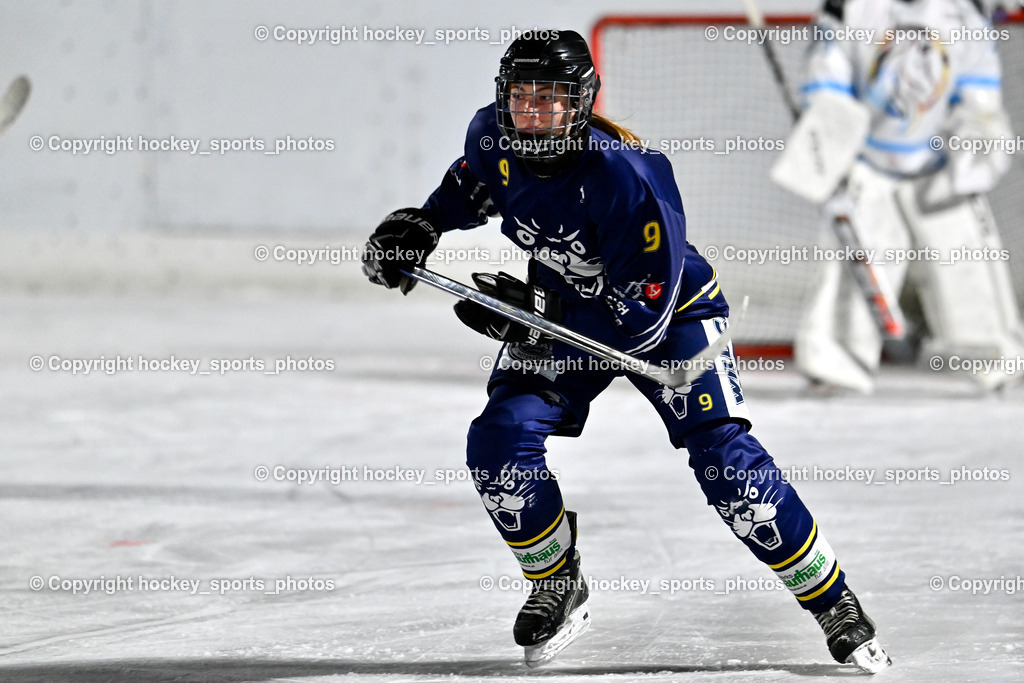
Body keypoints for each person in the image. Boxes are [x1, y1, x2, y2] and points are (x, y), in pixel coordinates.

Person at [361, 30, 891, 673]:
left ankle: (832, 601)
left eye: (550, 99)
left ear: (581, 101)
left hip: (671, 319)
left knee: (726, 463)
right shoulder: (491, 137)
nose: (533, 113)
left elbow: (640, 324)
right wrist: (424, 223)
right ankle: (557, 581)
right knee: (499, 440)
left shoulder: (627, 177)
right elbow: (473, 186)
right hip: (564, 312)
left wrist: (537, 319)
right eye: (522, 97)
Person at [793, 0, 1023, 392]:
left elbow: (978, 96)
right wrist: (828, 136)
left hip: (938, 166)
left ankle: (993, 359)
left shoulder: (964, 14)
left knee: (967, 264)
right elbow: (827, 83)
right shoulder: (848, 10)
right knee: (851, 271)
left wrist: (976, 140)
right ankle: (836, 362)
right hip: (868, 165)